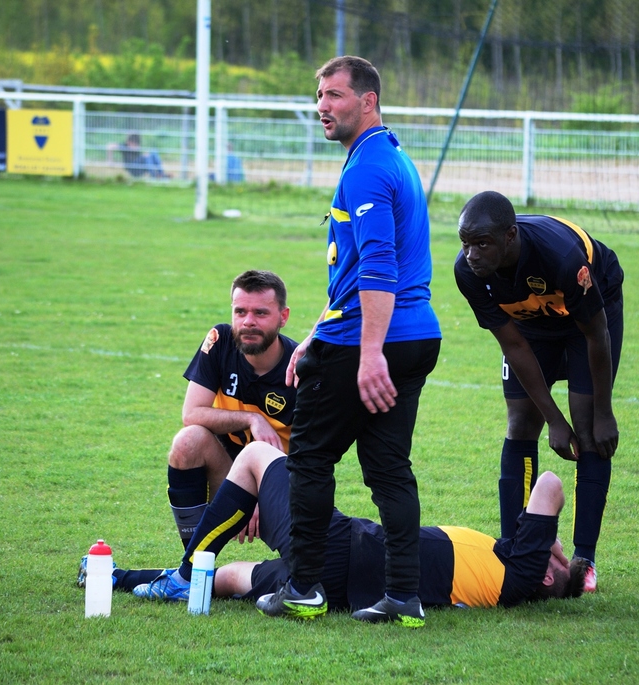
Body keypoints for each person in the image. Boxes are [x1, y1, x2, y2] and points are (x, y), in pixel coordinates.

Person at [254, 55, 442, 627]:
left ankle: (304, 588)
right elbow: (356, 269)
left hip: (369, 338)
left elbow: (379, 266)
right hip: (415, 334)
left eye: (334, 95)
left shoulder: (366, 169)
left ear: (368, 100)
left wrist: (368, 354)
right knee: (388, 467)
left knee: (309, 458)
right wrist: (315, 332)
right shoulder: (392, 156)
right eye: (319, 96)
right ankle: (403, 596)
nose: (322, 107)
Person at [86, 442, 587, 612]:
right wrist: (570, 569)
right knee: (234, 577)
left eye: (554, 556)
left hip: (346, 547)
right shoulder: (507, 576)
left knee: (257, 456)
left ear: (546, 574)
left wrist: (562, 556)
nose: (552, 546)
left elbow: (548, 483)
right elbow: (546, 534)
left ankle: (181, 573)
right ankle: (114, 576)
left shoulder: (523, 570)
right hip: (342, 588)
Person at [453, 191, 624, 594]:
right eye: (465, 243)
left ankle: (584, 560)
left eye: (482, 244)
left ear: (510, 236)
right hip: (531, 323)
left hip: (587, 319)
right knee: (520, 423)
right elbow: (514, 346)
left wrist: (604, 411)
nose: (471, 254)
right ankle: (515, 549)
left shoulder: (561, 258)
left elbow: (596, 334)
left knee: (589, 428)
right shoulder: (467, 272)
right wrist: (552, 420)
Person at [164, 270, 297, 552]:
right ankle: (195, 562)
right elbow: (192, 414)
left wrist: (263, 493)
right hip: (228, 473)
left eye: (261, 313)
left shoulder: (299, 370)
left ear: (283, 317)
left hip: (279, 488)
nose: (248, 321)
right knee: (187, 441)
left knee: (300, 560)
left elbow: (312, 460)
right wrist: (252, 419)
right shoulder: (221, 340)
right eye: (240, 312)